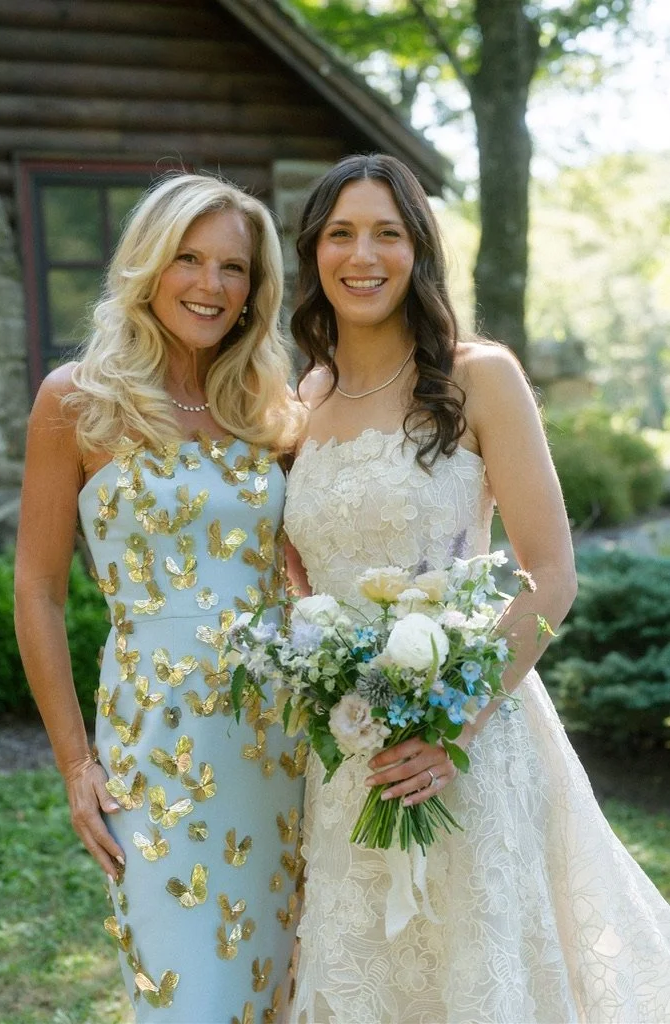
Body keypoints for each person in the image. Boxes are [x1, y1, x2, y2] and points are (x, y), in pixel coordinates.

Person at [282, 153, 670, 1024]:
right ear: (313, 253)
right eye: (340, 233)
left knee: (477, 971)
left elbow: (551, 573)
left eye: (387, 232)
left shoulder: (477, 375)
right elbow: (296, 571)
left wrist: (453, 720)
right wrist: (323, 667)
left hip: (469, 737)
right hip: (346, 750)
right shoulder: (297, 401)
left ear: (419, 250)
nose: (362, 255)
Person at [14, 173, 306, 1024]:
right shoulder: (75, 400)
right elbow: (35, 590)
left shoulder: (272, 410)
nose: (211, 286)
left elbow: (303, 570)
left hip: (279, 739)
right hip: (154, 739)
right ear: (148, 263)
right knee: (182, 994)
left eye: (233, 268)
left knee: (281, 984)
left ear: (256, 290)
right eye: (189, 258)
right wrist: (77, 764)